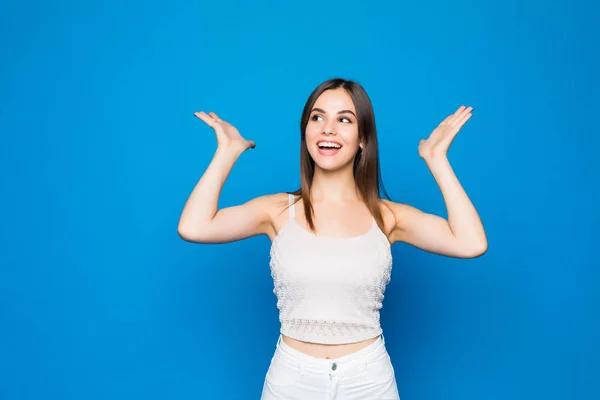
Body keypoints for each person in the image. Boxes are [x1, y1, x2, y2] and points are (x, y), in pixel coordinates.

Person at [178, 78, 487, 399]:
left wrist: (437, 159)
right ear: (306, 132)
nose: (328, 129)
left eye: (344, 119)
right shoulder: (276, 210)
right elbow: (195, 227)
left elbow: (470, 242)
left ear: (363, 138)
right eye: (317, 117)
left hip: (369, 381)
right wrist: (227, 152)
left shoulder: (390, 217)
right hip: (291, 380)